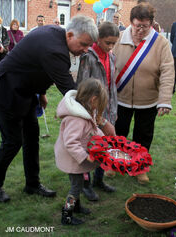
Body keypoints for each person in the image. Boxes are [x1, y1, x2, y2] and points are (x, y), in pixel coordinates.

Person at [0, 15, 98, 203]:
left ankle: (32, 184)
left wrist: (41, 93)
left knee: (32, 136)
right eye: (83, 44)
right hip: (6, 89)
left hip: (26, 91)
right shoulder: (55, 51)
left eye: (89, 46)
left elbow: (39, 67)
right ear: (70, 35)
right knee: (12, 141)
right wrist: (96, 115)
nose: (85, 50)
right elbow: (71, 92)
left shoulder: (56, 34)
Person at [113, 2, 174, 184]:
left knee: (143, 135)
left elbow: (168, 71)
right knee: (118, 131)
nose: (140, 30)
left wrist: (164, 100)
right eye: (137, 26)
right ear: (131, 22)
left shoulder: (161, 43)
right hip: (120, 97)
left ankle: (139, 168)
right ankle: (115, 163)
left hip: (148, 99)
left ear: (151, 24)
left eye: (145, 27)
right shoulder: (119, 38)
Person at [77, 21, 119, 201]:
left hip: (108, 108)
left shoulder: (110, 56)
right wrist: (92, 114)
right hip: (91, 110)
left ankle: (98, 180)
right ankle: (85, 185)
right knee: (89, 147)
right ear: (98, 39)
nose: (110, 47)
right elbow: (83, 87)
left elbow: (111, 85)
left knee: (105, 146)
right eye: (107, 42)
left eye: (113, 43)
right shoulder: (88, 57)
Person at [55, 79, 107, 225]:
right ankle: (67, 215)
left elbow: (94, 129)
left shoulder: (86, 110)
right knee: (76, 186)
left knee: (79, 183)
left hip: (77, 158)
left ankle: (76, 207)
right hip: (72, 158)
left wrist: (103, 141)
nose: (99, 107)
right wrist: (85, 157)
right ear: (93, 99)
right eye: (99, 103)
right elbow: (70, 142)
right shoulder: (76, 119)